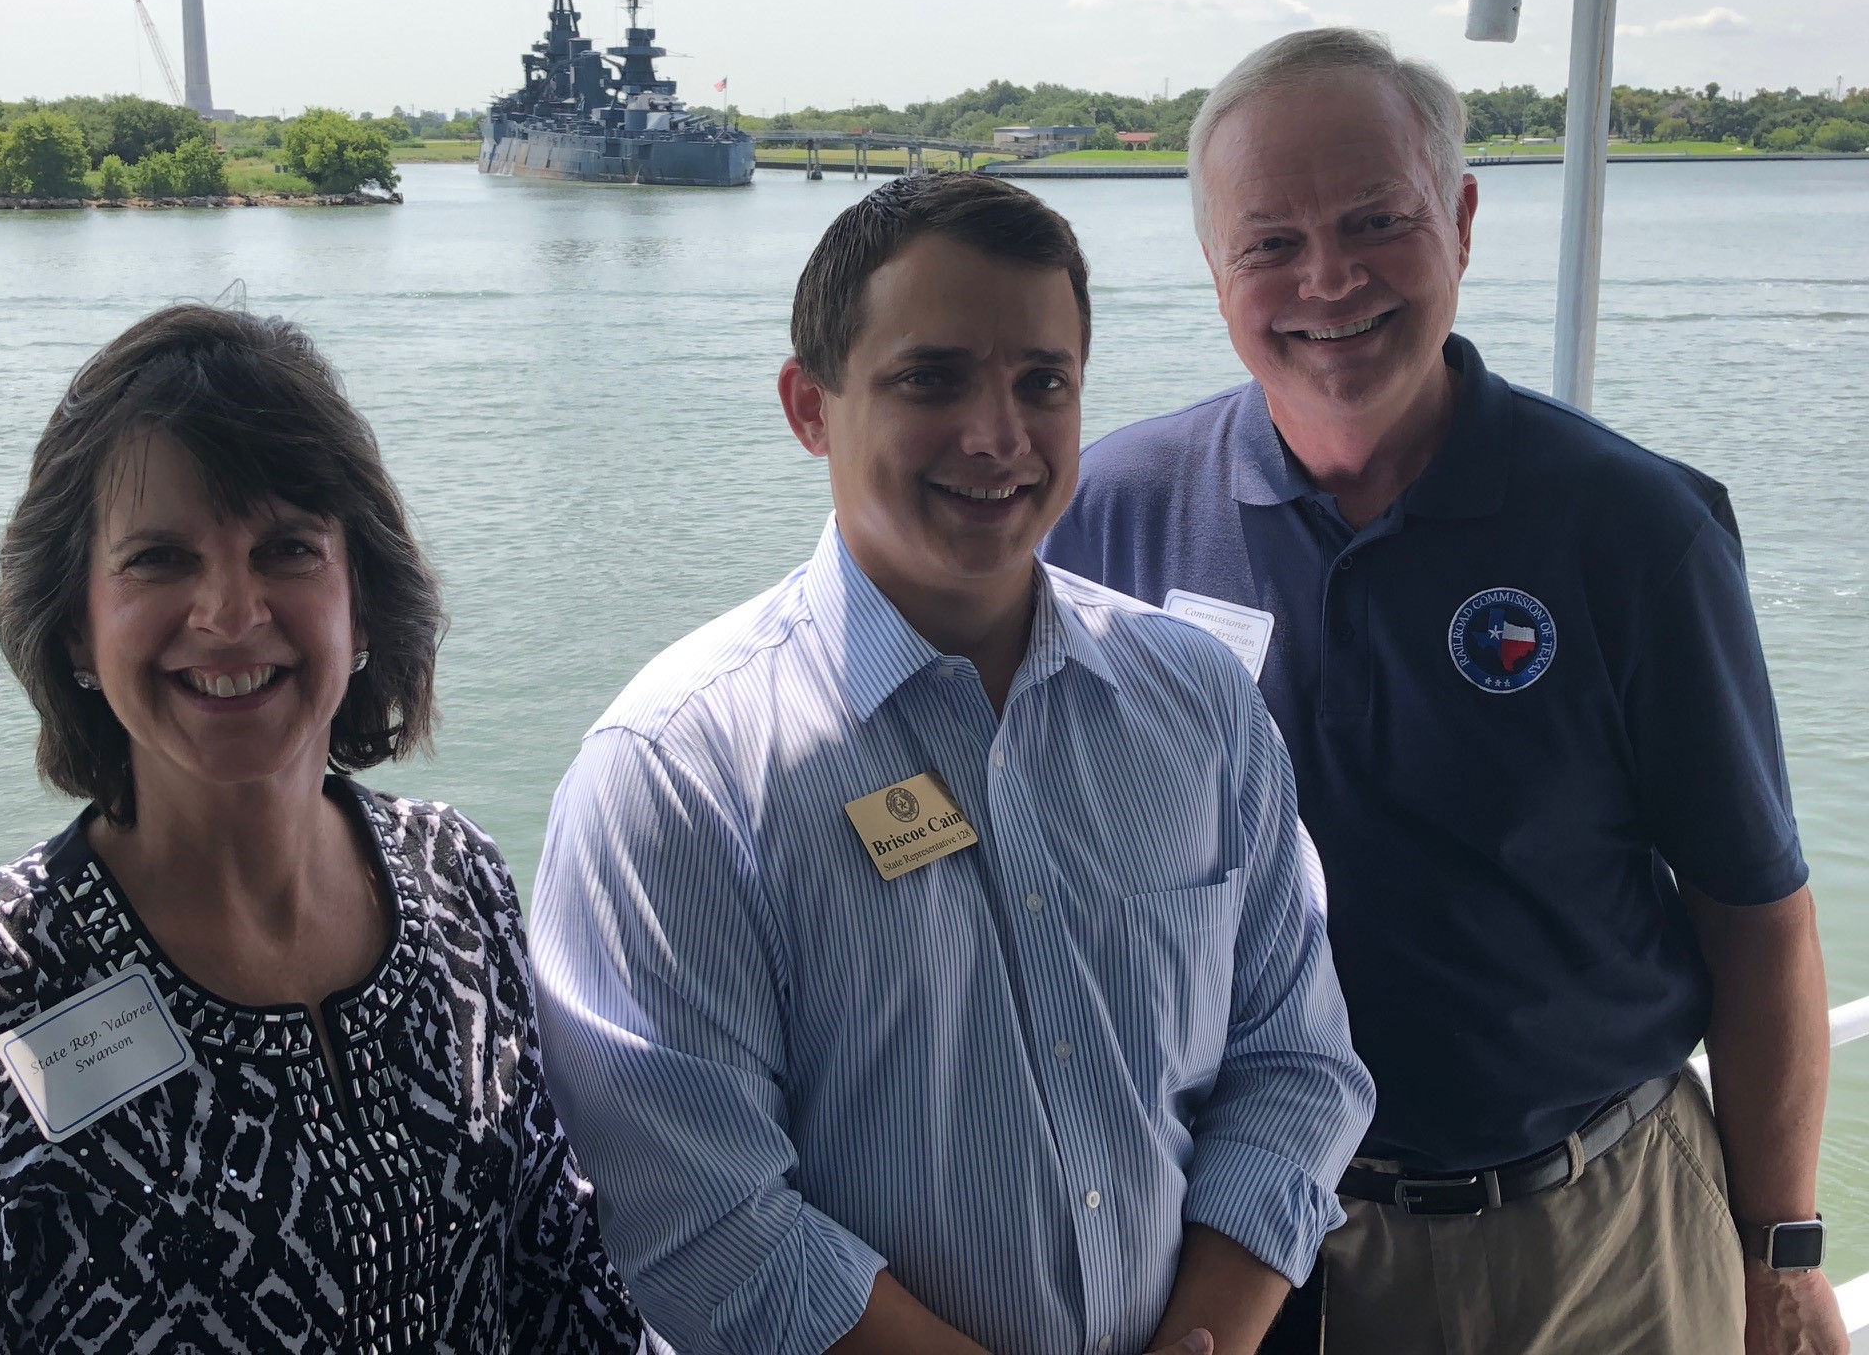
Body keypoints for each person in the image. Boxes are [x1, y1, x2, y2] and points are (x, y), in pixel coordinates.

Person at [1042, 28, 1847, 1355]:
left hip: (1594, 1242)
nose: (1329, 281)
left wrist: (1781, 1253)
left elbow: (1757, 919)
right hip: (1239, 1257)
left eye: (1376, 222)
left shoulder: (1635, 531)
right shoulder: (1106, 520)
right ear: (1213, 266)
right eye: (1271, 243)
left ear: (1462, 220)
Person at [528, 171, 1373, 1355]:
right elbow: (707, 1224)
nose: (998, 436)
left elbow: (1296, 1067)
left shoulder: (1198, 705)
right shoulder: (677, 772)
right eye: (931, 379)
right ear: (810, 407)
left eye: (1044, 382)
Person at [0, 306, 649, 1354]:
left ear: (360, 604)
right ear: (78, 628)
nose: (230, 611)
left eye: (286, 549)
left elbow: (559, 1283)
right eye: (159, 560)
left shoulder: (459, 880)